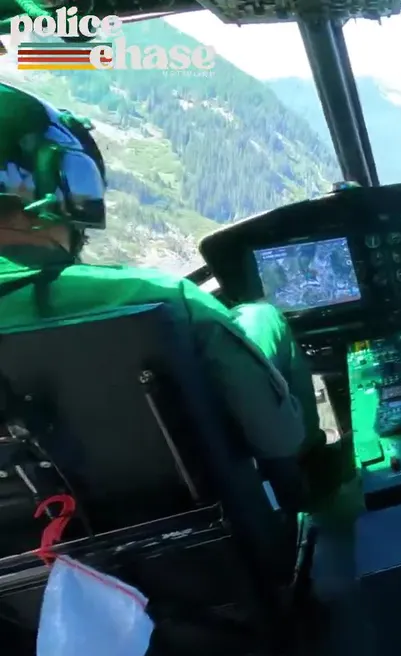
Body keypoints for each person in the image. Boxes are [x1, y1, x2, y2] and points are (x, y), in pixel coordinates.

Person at [0, 82, 327, 469]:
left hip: (57, 507)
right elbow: (279, 437)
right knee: (261, 317)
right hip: (223, 506)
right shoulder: (163, 297)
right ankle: (325, 477)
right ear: (62, 182)